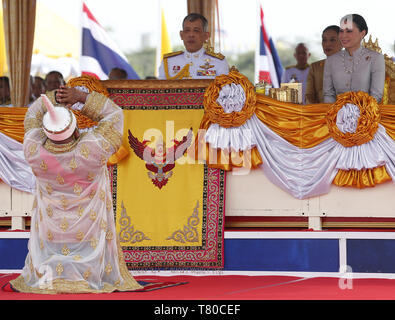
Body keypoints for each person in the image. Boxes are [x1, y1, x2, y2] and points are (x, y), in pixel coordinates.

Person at [9, 85, 142, 293]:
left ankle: (54, 278)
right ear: (74, 127)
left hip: (51, 234)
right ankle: (84, 278)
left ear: (45, 130)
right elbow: (114, 114)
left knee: (55, 254)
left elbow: (32, 115)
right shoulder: (92, 147)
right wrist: (80, 97)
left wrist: (54, 98)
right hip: (88, 233)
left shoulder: (33, 148)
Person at [323, 14, 385, 103]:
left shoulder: (375, 58)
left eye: (349, 31)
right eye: (341, 31)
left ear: (362, 33)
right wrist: (335, 114)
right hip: (336, 114)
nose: (343, 36)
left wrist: (358, 114)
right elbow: (328, 95)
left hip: (366, 114)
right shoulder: (331, 60)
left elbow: (376, 96)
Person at [158, 13, 229, 79]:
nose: (191, 35)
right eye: (187, 30)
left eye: (196, 31)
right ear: (181, 35)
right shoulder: (168, 62)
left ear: (206, 36)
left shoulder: (218, 62)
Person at [305, 26, 342, 104]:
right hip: (320, 113)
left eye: (332, 40)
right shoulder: (315, 67)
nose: (327, 44)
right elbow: (309, 96)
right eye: (324, 40)